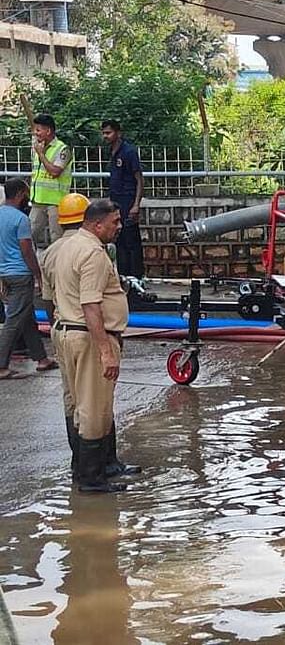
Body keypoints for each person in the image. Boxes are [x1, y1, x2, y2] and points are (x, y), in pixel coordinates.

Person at [51, 199, 136, 494]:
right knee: (94, 410)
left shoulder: (66, 247)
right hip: (87, 336)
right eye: (115, 222)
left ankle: (88, 470)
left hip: (66, 331)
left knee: (77, 404)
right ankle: (91, 479)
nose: (119, 227)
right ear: (96, 224)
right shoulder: (93, 254)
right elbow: (91, 305)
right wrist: (105, 350)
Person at [42, 192, 89, 481]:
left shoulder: (50, 252)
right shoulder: (92, 248)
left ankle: (79, 463)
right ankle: (100, 465)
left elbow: (47, 299)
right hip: (85, 331)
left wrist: (55, 327)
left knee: (71, 398)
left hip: (60, 329)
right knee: (95, 399)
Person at [0, 178, 56, 380]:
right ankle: (2, 365)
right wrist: (38, 274)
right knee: (14, 321)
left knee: (26, 318)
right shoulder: (21, 219)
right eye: (26, 193)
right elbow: (26, 249)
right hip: (20, 275)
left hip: (4, 275)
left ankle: (42, 359)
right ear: (21, 194)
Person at [101, 120, 145, 278]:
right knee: (119, 239)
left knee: (131, 240)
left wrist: (136, 205)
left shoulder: (128, 152)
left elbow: (139, 179)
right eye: (104, 133)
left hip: (128, 201)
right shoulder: (112, 152)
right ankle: (124, 276)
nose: (105, 136)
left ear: (118, 133)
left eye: (109, 133)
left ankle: (137, 277)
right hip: (116, 203)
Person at [29, 114, 73, 249]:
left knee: (57, 238)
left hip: (56, 202)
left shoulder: (62, 149)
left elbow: (55, 172)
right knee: (29, 234)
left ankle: (58, 267)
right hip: (38, 200)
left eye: (38, 130)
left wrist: (41, 155)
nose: (35, 134)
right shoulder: (36, 147)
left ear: (48, 131)